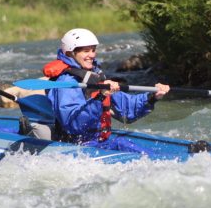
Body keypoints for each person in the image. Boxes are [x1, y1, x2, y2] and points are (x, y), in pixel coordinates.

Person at [42, 28, 170, 153]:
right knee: (127, 147)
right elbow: (75, 125)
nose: (91, 55)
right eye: (86, 51)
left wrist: (153, 96)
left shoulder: (94, 76)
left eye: (93, 50)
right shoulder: (66, 83)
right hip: (78, 146)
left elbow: (127, 109)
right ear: (70, 53)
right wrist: (100, 97)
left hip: (99, 142)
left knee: (127, 145)